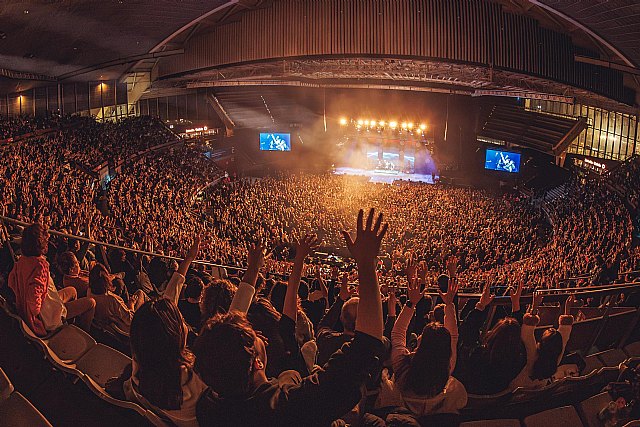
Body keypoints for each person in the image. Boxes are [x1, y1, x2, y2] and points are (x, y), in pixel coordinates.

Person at [194, 209, 388, 427]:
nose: (260, 334)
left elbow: (221, 341)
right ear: (258, 362)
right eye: (254, 335)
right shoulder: (293, 408)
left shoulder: (207, 407)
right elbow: (366, 347)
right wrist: (366, 263)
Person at [107, 238, 204, 427]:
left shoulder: (141, 367)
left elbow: (163, 312)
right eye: (180, 320)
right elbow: (228, 341)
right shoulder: (194, 379)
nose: (183, 322)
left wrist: (188, 259)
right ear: (174, 335)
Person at [385, 257, 467, 415]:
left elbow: (397, 332)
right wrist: (449, 304)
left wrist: (411, 303)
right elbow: (454, 337)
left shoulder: (402, 364)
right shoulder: (447, 367)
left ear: (422, 343)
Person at [8, 223, 96, 336]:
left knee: (72, 290)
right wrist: (37, 317)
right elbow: (34, 304)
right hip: (49, 317)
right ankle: (82, 337)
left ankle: (69, 328)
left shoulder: (21, 261)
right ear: (42, 245)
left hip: (47, 302)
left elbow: (12, 282)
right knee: (91, 303)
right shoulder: (40, 266)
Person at [510, 293, 575, 389]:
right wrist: (567, 310)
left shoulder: (533, 356)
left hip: (517, 388)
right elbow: (564, 335)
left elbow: (527, 333)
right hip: (539, 389)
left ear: (541, 342)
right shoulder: (556, 359)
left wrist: (534, 306)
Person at [87, 262, 145, 334]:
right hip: (125, 327)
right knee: (140, 293)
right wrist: (131, 304)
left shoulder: (90, 291)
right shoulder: (111, 299)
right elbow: (131, 320)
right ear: (105, 281)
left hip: (112, 319)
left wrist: (113, 276)